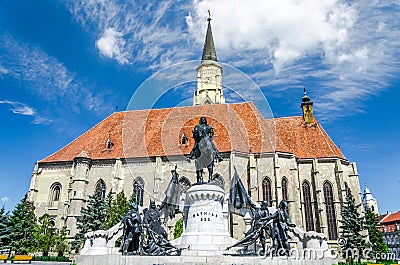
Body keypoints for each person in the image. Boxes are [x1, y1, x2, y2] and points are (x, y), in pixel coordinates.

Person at [188, 117, 222, 183]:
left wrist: (210, 136)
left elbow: (211, 132)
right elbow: (195, 133)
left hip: (207, 139)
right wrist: (195, 133)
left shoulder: (208, 127)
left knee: (212, 144)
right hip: (199, 140)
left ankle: (218, 155)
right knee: (196, 145)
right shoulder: (197, 126)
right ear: (200, 121)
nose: (203, 120)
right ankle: (191, 154)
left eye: (204, 119)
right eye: (202, 119)